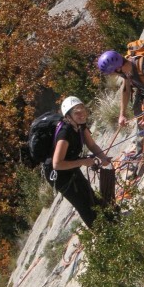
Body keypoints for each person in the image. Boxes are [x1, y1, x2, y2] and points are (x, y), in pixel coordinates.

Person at [44, 96, 111, 228]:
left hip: (71, 166)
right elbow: (56, 164)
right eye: (77, 112)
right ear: (68, 117)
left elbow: (92, 145)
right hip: (58, 174)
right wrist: (82, 162)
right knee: (82, 203)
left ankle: (109, 220)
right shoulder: (64, 134)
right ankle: (104, 235)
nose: (82, 114)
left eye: (83, 110)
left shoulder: (80, 126)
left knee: (89, 193)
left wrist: (103, 157)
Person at [97, 50, 144, 156]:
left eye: (111, 73)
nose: (112, 76)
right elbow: (126, 90)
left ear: (117, 69)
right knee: (141, 122)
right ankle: (141, 151)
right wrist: (122, 114)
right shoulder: (125, 70)